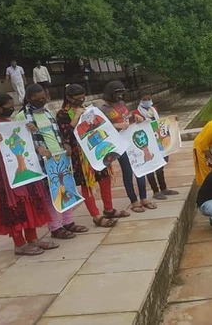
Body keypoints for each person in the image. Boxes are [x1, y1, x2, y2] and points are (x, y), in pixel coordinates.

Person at [0, 92, 58, 255]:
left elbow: (26, 144)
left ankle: (33, 239)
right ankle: (19, 244)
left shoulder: (12, 124)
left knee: (30, 203)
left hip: (25, 169)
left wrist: (33, 137)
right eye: (8, 107)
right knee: (14, 207)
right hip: (6, 175)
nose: (11, 110)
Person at [15, 84, 89, 239]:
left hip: (59, 157)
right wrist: (37, 148)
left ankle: (68, 222)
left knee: (65, 189)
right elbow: (20, 140)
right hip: (43, 161)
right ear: (29, 98)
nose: (42, 101)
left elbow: (56, 133)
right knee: (50, 194)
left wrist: (65, 144)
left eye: (44, 98)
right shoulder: (22, 116)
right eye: (38, 99)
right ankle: (55, 227)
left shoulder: (46, 112)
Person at [56, 84, 128, 227]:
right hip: (80, 155)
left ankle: (109, 209)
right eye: (77, 98)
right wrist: (77, 116)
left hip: (97, 149)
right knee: (88, 184)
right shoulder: (62, 114)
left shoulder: (88, 109)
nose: (81, 100)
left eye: (83, 97)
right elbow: (66, 135)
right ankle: (96, 216)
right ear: (69, 98)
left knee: (105, 178)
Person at [99, 81, 157, 212]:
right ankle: (134, 200)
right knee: (128, 171)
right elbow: (100, 128)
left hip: (131, 140)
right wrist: (115, 126)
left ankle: (144, 198)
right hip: (119, 144)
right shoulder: (103, 110)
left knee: (140, 167)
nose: (120, 96)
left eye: (121, 93)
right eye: (117, 93)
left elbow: (126, 117)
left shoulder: (122, 104)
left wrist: (134, 116)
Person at [133, 91, 179, 200]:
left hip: (157, 140)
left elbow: (159, 123)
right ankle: (155, 191)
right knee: (150, 167)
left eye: (149, 99)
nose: (147, 101)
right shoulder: (136, 113)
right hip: (147, 143)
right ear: (140, 100)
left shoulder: (153, 110)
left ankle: (164, 188)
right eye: (144, 99)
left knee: (160, 165)